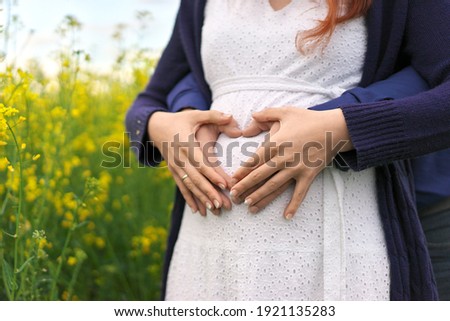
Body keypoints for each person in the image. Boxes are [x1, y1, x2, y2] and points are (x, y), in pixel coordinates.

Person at [126, 0, 450, 300]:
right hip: (208, 243)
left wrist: (342, 128)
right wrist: (159, 127)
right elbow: (152, 99)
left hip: (342, 239)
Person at [168, 69, 450, 300]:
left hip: (420, 201)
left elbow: (419, 68)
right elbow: (188, 72)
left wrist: (333, 118)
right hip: (215, 248)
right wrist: (178, 114)